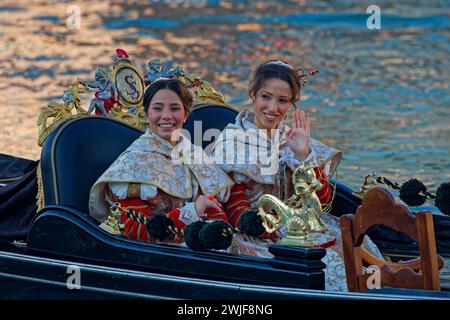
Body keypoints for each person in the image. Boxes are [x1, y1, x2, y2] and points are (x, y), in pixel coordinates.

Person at [210, 59, 380, 291]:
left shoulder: (291, 139)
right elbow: (236, 210)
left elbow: (323, 201)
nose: (273, 108)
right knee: (327, 260)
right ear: (253, 94)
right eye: (266, 97)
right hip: (256, 234)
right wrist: (280, 229)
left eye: (282, 101)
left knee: (359, 245)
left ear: (291, 103)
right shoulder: (231, 142)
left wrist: (303, 156)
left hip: (301, 228)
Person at [89, 78, 234, 243]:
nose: (166, 116)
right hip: (158, 253)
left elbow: (214, 211)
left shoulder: (196, 156)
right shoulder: (133, 163)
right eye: (157, 108)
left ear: (186, 114)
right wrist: (192, 212)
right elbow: (138, 230)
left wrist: (217, 234)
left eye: (175, 108)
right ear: (147, 113)